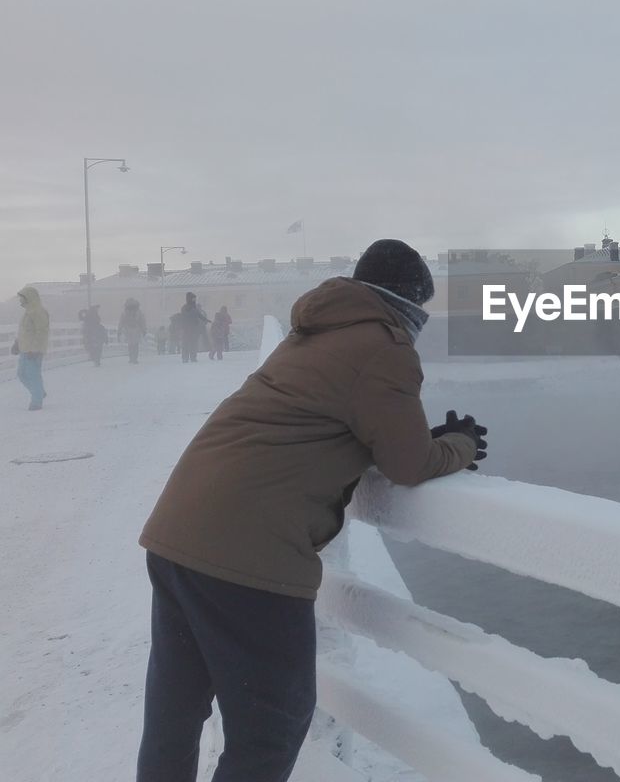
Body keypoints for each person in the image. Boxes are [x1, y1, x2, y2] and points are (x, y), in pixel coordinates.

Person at [136, 239, 487, 782]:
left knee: (174, 715)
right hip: (248, 556)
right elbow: (408, 463)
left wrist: (412, 432)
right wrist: (461, 443)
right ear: (408, 303)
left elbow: (329, 418)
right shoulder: (385, 346)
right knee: (272, 728)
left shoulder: (312, 334)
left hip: (178, 531)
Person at [14, 286, 50, 410]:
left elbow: (42, 332)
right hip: (25, 349)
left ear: (29, 298)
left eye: (22, 298)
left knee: (33, 375)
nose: (20, 301)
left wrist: (34, 349)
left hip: (33, 351)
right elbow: (24, 332)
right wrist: (17, 343)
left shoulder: (38, 312)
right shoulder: (28, 312)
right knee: (22, 374)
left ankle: (36, 401)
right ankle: (39, 392)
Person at [178, 293, 209, 364]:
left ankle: (193, 357)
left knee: (193, 343)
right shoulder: (185, 307)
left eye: (195, 299)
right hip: (187, 328)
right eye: (193, 298)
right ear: (189, 298)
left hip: (194, 329)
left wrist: (205, 319)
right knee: (186, 343)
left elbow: (199, 315)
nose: (194, 300)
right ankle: (185, 358)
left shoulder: (194, 307)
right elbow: (185, 317)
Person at [119, 298, 148, 365]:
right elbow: (142, 321)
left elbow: (121, 322)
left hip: (128, 329)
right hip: (136, 329)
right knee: (135, 344)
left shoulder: (125, 312)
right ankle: (135, 358)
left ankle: (131, 358)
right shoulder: (139, 312)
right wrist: (144, 330)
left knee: (130, 344)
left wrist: (119, 330)